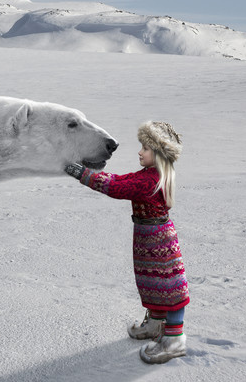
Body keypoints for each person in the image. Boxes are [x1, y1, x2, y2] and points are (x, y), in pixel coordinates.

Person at [65, 121, 189, 364]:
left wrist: (82, 173)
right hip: (147, 236)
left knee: (169, 287)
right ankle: (155, 325)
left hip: (158, 239)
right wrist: (91, 170)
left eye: (146, 148)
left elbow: (117, 186)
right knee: (152, 283)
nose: (140, 152)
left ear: (159, 154)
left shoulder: (150, 180)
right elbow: (121, 178)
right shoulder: (148, 174)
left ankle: (175, 340)